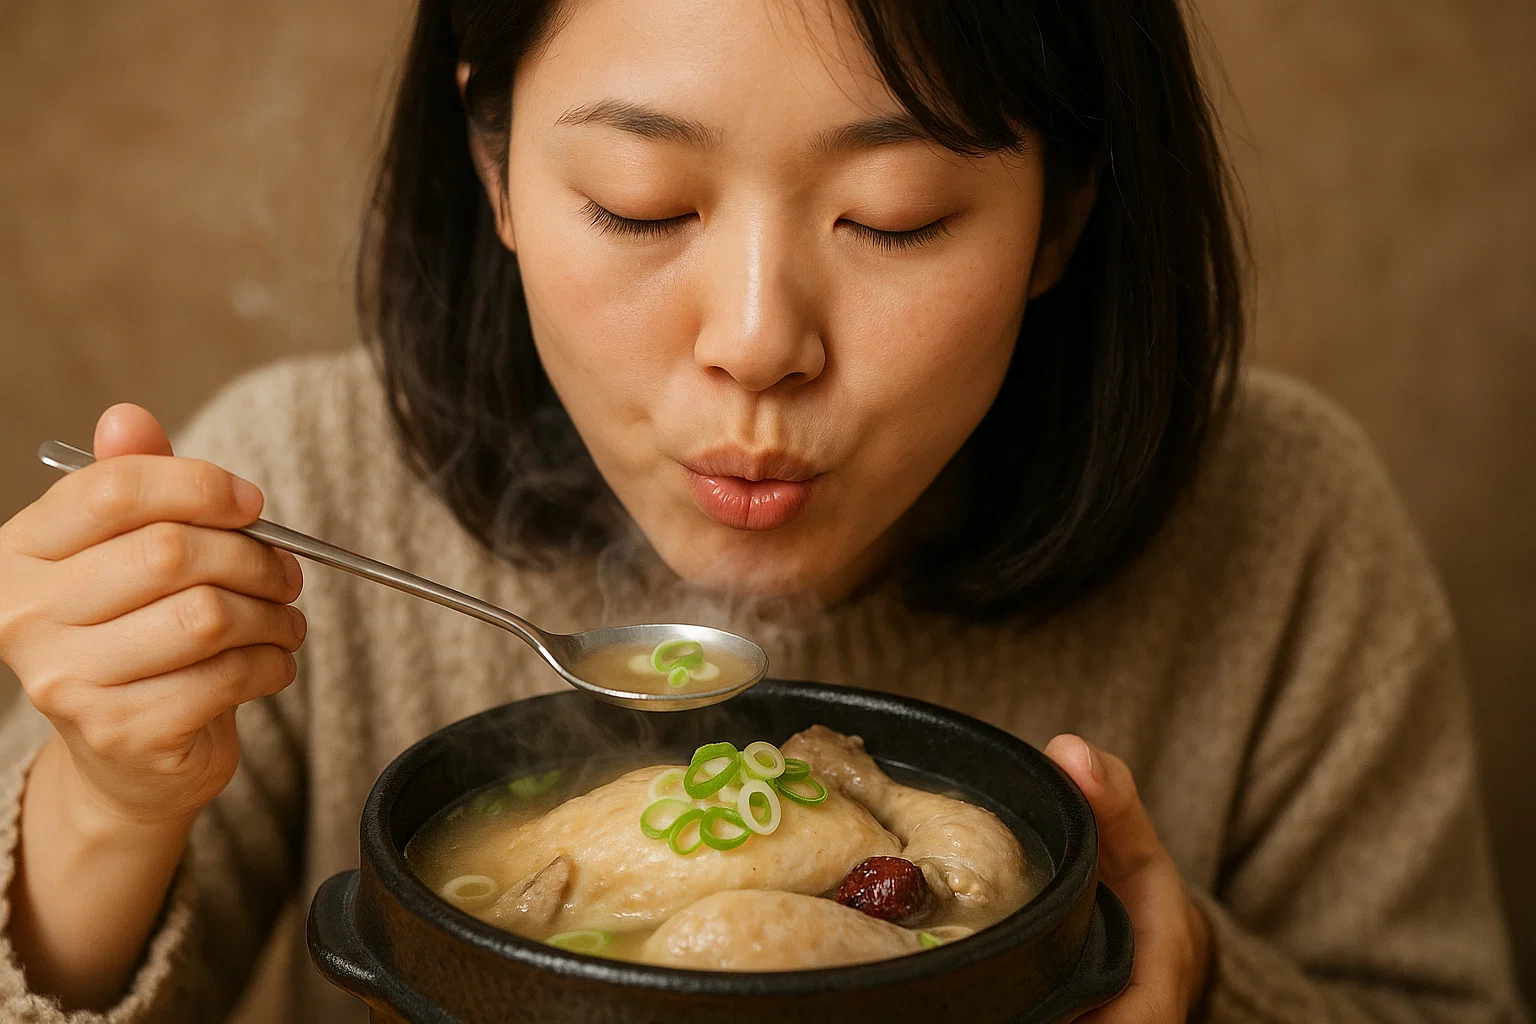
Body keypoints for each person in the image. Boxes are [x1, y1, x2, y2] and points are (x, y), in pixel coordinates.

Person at [0, 0, 1526, 1020]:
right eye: (641, 203)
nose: (757, 341)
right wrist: (110, 804)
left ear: (1062, 212)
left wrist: (1189, 991)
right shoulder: (298, 489)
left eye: (895, 220)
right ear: (497, 168)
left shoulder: (1285, 527)